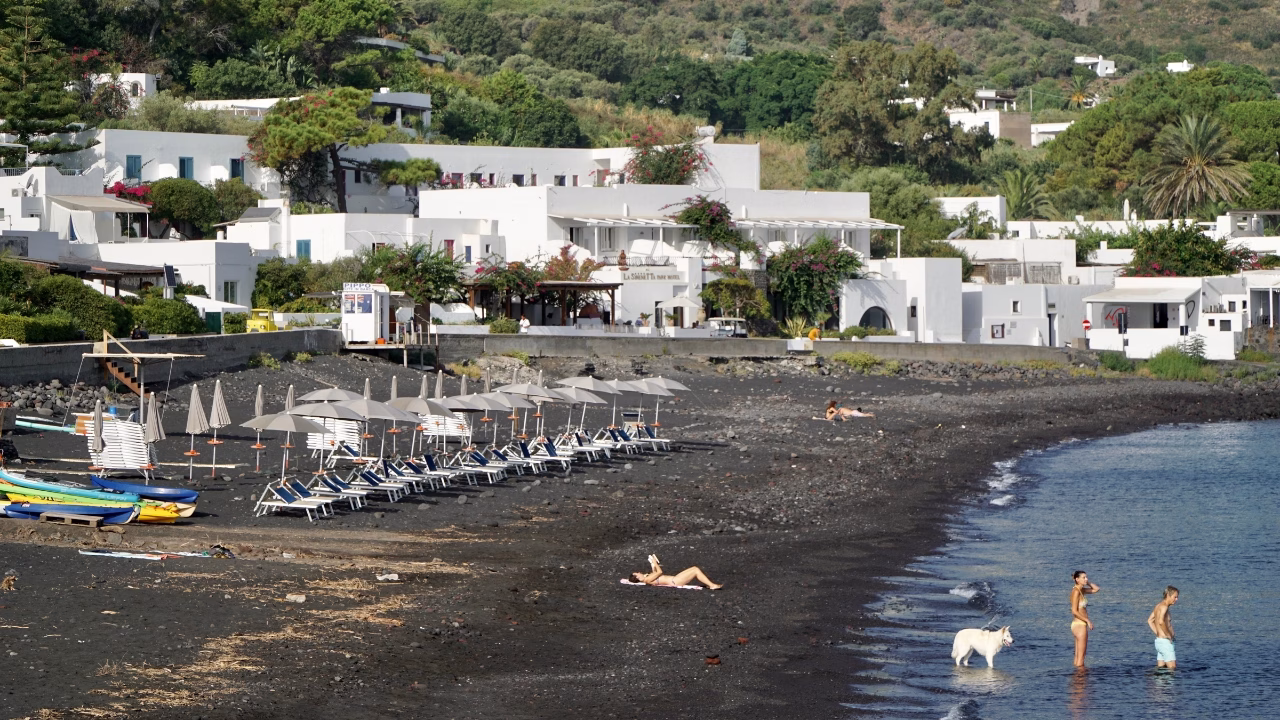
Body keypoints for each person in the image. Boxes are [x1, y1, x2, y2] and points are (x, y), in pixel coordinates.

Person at [630, 554, 722, 590]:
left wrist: (653, 564)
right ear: (637, 577)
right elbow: (660, 572)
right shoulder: (646, 580)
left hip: (675, 579)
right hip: (675, 581)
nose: (638, 572)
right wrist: (654, 563)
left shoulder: (647, 578)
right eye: (637, 573)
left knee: (695, 568)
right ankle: (712, 585)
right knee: (695, 570)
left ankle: (710, 585)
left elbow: (655, 574)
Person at [1070, 570, 1101, 667]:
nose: (1086, 579)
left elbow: (1096, 589)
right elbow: (1074, 611)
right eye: (1084, 577)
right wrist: (1087, 620)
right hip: (1080, 625)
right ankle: (1081, 680)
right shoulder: (1076, 591)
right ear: (1077, 579)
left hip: (1078, 625)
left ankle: (1076, 680)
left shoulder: (1081, 590)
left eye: (1086, 577)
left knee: (1077, 657)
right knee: (1081, 658)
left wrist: (1087, 582)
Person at [1147, 585, 1179, 669]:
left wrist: (1158, 633)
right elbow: (1161, 622)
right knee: (1172, 669)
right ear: (1168, 595)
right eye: (1175, 597)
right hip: (1165, 643)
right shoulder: (1164, 607)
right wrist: (1168, 635)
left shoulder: (1158, 606)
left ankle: (1159, 682)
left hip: (1159, 642)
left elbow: (1150, 621)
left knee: (1161, 669)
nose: (1176, 599)